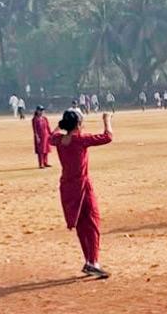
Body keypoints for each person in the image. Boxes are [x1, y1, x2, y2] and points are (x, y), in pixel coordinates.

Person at [50, 109, 113, 278]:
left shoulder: (59, 140)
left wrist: (60, 126)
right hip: (82, 186)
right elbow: (108, 137)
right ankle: (93, 262)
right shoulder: (80, 140)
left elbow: (51, 136)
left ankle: (89, 261)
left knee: (81, 225)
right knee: (92, 222)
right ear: (78, 124)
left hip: (67, 187)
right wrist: (107, 119)